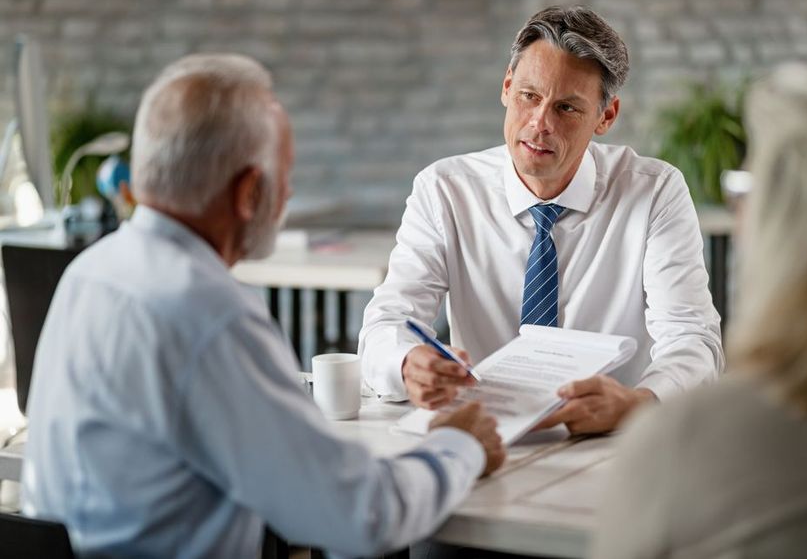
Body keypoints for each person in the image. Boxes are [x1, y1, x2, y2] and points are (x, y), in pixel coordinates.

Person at [20, 54, 505, 558]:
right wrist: (459, 446)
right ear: (249, 192)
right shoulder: (208, 314)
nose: (289, 191)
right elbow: (361, 516)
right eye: (286, 174)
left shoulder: (89, 272)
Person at [359, 5, 724, 434]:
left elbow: (693, 341)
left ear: (606, 117)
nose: (539, 124)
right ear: (507, 87)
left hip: (611, 443)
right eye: (529, 96)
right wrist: (407, 363)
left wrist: (635, 404)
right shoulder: (444, 190)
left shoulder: (653, 192)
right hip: (486, 439)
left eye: (567, 108)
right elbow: (386, 324)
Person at [594, 64, 807, 557]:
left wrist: (644, 403)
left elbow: (690, 335)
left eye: (744, 189)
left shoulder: (686, 444)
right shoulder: (448, 186)